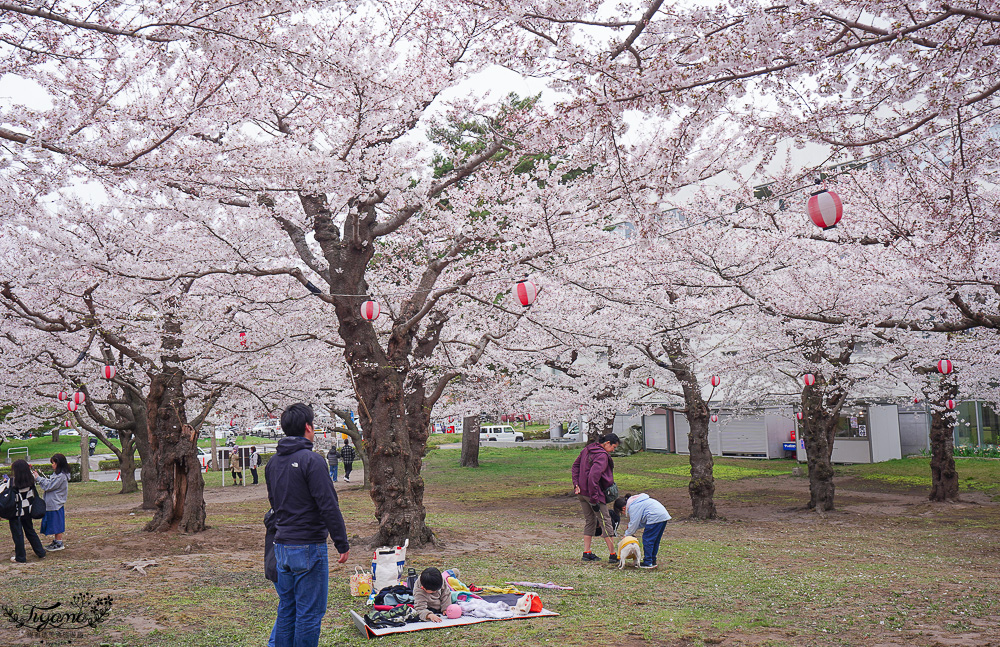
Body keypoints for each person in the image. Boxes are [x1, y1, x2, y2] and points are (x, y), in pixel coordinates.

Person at [266, 403, 350, 647]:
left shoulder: (272, 463)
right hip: (307, 546)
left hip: (281, 545)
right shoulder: (311, 460)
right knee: (309, 613)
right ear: (308, 427)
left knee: (288, 609)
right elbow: (328, 505)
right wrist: (341, 542)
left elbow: (274, 503)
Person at [571, 432, 620, 563]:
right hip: (593, 494)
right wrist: (594, 499)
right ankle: (613, 554)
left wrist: (576, 484)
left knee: (590, 521)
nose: (613, 450)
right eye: (613, 447)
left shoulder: (587, 449)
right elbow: (594, 476)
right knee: (605, 521)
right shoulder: (602, 456)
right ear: (607, 443)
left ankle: (586, 552)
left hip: (581, 492)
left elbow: (575, 466)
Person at [615, 492, 671, 569]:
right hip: (662, 516)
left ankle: (648, 562)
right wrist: (630, 529)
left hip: (655, 517)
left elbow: (634, 522)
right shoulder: (637, 501)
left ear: (623, 508)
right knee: (655, 540)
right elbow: (640, 522)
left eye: (622, 512)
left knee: (648, 539)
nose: (624, 514)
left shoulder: (633, 506)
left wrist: (627, 535)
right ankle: (652, 560)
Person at [7, 459, 46, 563]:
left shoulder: (12, 482)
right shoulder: (30, 480)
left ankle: (20, 557)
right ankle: (40, 552)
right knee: (30, 531)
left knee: (18, 534)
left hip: (16, 512)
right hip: (28, 510)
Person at [33, 453, 70, 551]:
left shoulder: (61, 476)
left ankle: (59, 543)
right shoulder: (58, 474)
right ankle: (56, 541)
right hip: (52, 503)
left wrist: (38, 478)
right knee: (55, 523)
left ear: (58, 463)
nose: (52, 465)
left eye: (53, 463)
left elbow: (48, 486)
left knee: (57, 524)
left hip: (55, 503)